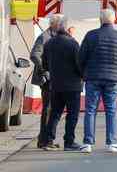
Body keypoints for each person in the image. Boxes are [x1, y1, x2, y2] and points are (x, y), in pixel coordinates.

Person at [79, 9, 117, 153]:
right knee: (111, 110)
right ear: (113, 20)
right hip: (113, 79)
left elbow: (81, 58)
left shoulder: (90, 36)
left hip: (93, 78)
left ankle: (88, 143)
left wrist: (84, 73)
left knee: (90, 110)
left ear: (100, 20)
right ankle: (112, 143)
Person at [42, 16, 82, 151]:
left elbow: (45, 65)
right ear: (65, 26)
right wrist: (83, 76)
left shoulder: (49, 43)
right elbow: (79, 65)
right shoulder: (73, 43)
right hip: (72, 85)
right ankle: (69, 142)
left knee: (55, 113)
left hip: (56, 84)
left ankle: (48, 141)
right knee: (72, 114)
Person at [30, 14, 62, 149]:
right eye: (62, 24)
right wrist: (45, 69)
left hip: (55, 79)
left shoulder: (54, 36)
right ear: (55, 24)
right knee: (48, 109)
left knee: (52, 109)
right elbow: (34, 55)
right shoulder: (45, 37)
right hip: (47, 80)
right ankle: (44, 140)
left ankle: (45, 138)